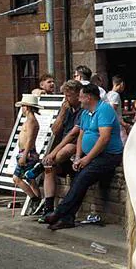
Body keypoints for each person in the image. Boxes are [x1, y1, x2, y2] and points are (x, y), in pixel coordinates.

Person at [42, 82, 124, 231]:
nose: (79, 100)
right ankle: (67, 218)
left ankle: (60, 213)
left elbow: (104, 139)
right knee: (78, 178)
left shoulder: (104, 110)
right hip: (91, 155)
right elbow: (81, 135)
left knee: (83, 176)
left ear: (89, 97)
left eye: (81, 97)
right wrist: (79, 156)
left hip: (108, 155)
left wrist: (87, 159)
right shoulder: (86, 113)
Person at [34, 80, 83, 220]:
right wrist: (62, 112)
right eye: (65, 95)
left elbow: (73, 134)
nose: (66, 98)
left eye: (69, 95)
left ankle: (41, 166)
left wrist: (52, 153)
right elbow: (55, 130)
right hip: (62, 143)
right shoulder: (66, 108)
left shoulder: (82, 110)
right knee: (49, 167)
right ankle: (48, 207)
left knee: (66, 149)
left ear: (77, 95)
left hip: (75, 145)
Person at [11, 93, 43, 210]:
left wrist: (24, 156)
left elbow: (30, 140)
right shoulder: (29, 120)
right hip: (25, 152)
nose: (22, 109)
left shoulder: (31, 122)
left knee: (16, 178)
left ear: (27, 107)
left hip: (27, 153)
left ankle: (34, 199)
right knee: (30, 179)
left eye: (23, 106)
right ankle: (38, 202)